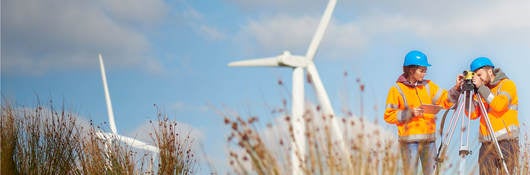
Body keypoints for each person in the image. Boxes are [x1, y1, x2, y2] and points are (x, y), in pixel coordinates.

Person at [384, 50, 460, 175]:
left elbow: (446, 100)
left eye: (425, 70)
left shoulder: (429, 86)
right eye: (421, 70)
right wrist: (409, 113)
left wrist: (456, 88)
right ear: (410, 70)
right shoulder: (396, 89)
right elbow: (388, 115)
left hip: (429, 141)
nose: (424, 73)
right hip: (409, 143)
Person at [465, 57, 520, 175]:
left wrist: (481, 88)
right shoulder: (483, 90)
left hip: (507, 143)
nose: (478, 79)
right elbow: (473, 114)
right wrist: (468, 94)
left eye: (479, 75)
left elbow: (500, 105)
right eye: (475, 76)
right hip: (486, 145)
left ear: (490, 71)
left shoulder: (507, 84)